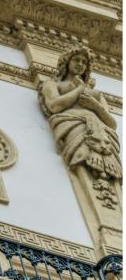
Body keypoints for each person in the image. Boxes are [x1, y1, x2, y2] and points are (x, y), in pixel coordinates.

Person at [38, 47, 121, 184]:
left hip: (101, 133)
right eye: (76, 60)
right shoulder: (52, 84)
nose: (80, 64)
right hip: (73, 126)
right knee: (82, 159)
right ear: (67, 63)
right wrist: (80, 89)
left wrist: (95, 106)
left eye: (84, 62)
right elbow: (54, 106)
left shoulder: (96, 94)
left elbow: (112, 124)